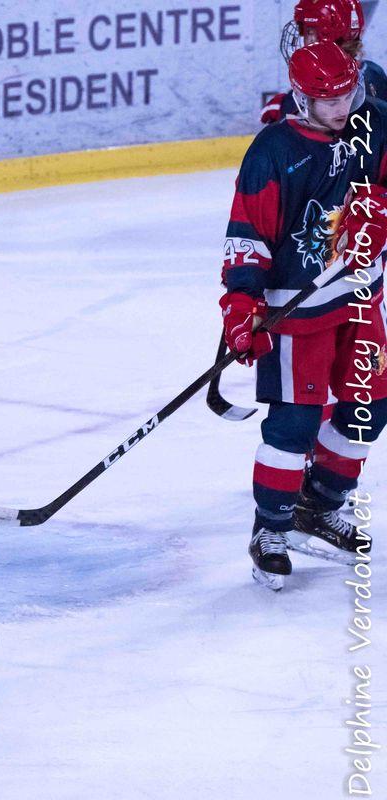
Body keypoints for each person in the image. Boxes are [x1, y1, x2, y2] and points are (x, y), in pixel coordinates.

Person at [222, 41, 385, 590]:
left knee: (371, 405)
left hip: (360, 297)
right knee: (292, 426)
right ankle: (270, 527)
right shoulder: (273, 151)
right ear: (301, 96)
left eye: (347, 92)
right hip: (297, 310)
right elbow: (247, 235)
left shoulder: (372, 124)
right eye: (327, 98)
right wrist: (242, 305)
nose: (342, 106)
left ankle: (320, 503)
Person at [263, 0, 387, 124]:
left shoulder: (294, 105)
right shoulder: (374, 72)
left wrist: (286, 108)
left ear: (327, 37)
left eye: (309, 32)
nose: (305, 40)